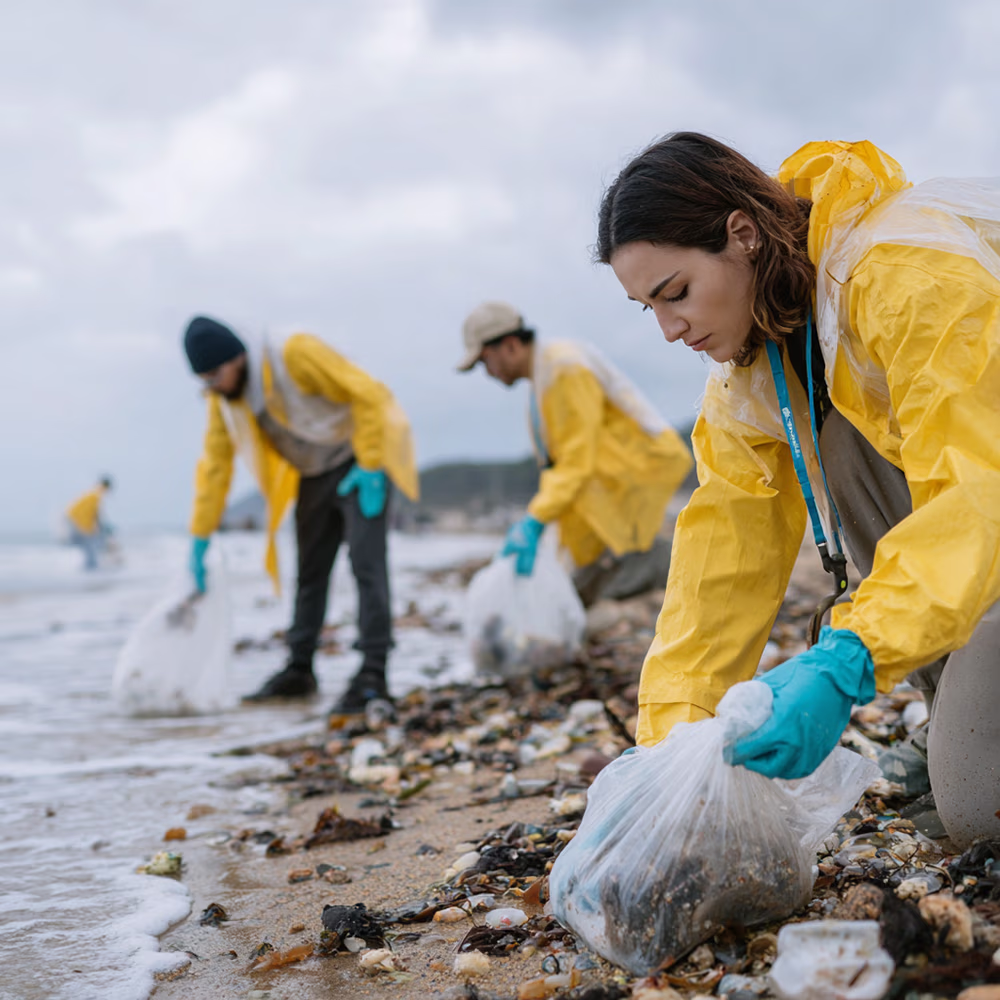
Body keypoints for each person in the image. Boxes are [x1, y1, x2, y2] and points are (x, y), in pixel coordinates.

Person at [597, 132, 1000, 848]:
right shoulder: (758, 370)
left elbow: (979, 493)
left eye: (677, 293)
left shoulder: (904, 276)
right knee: (841, 438)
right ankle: (950, 712)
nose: (667, 330)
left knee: (977, 812)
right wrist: (667, 753)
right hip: (978, 555)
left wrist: (851, 658)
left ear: (742, 233)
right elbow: (721, 566)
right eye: (647, 308)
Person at [183, 316, 419, 714]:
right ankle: (299, 669)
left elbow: (369, 393)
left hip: (359, 460)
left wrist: (373, 464)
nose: (213, 387)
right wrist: (200, 536)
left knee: (367, 565)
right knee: (310, 572)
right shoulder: (225, 401)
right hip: (312, 473)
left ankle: (373, 675)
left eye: (215, 375)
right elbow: (215, 466)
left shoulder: (294, 353)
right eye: (204, 381)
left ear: (237, 357)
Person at [457, 301, 693, 606]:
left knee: (633, 575)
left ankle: (682, 574)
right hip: (613, 486)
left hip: (633, 478)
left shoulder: (564, 370)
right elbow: (568, 465)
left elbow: (576, 461)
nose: (486, 372)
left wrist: (535, 519)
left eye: (485, 361)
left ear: (511, 345)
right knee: (584, 592)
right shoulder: (546, 375)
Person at [66, 476, 113, 570]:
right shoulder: (96, 495)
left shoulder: (92, 493)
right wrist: (95, 527)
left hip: (74, 521)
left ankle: (89, 568)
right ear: (107, 487)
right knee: (90, 546)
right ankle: (90, 569)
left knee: (89, 547)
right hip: (77, 523)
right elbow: (94, 514)